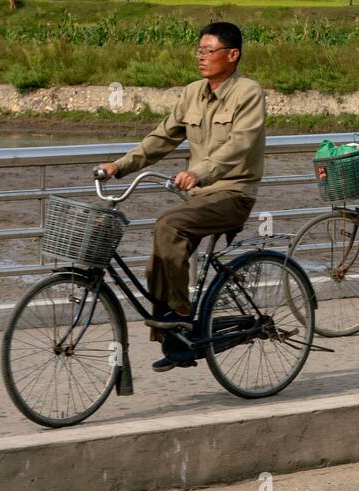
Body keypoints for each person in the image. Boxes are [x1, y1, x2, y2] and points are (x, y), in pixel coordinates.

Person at [97, 21, 266, 371]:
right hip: (200, 197)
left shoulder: (248, 92)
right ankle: (175, 336)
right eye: (199, 51)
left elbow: (239, 145)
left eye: (209, 51)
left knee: (168, 225)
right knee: (157, 259)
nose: (201, 57)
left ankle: (180, 318)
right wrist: (119, 166)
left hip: (233, 194)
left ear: (232, 55)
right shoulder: (192, 93)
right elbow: (161, 139)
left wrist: (199, 172)